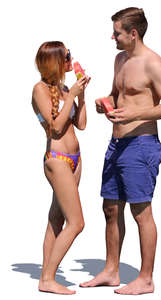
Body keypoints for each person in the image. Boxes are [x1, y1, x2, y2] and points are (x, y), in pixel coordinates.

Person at [80, 7, 161, 295]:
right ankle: (112, 271)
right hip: (116, 144)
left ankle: (146, 278)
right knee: (110, 208)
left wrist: (136, 116)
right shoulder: (120, 59)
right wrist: (105, 102)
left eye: (117, 32)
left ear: (133, 34)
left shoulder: (153, 63)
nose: (112, 36)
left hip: (141, 144)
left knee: (141, 211)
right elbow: (117, 94)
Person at [32, 41, 90, 295]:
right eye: (67, 55)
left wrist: (82, 96)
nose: (71, 58)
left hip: (75, 159)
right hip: (57, 160)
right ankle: (47, 278)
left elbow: (82, 124)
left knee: (56, 219)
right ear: (56, 61)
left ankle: (47, 274)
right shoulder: (39, 89)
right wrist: (73, 96)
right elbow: (55, 128)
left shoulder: (66, 88)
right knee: (76, 223)